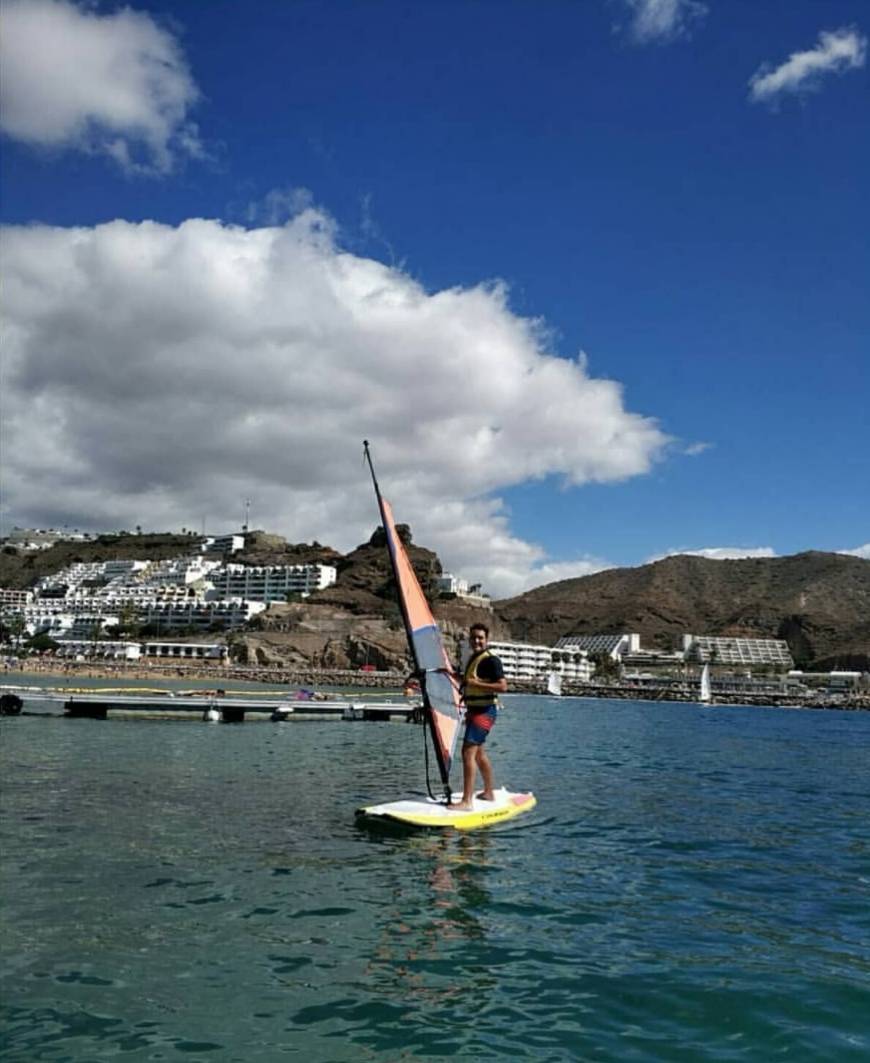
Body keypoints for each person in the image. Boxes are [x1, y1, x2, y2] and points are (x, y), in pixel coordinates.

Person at [452, 623, 507, 810]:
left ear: (486, 640)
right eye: (474, 637)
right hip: (474, 711)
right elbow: (469, 682)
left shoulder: (491, 660)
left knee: (467, 752)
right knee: (479, 753)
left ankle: (467, 801)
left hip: (485, 712)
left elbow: (502, 686)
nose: (477, 640)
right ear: (470, 639)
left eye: (480, 638)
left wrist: (475, 683)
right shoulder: (473, 659)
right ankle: (489, 792)